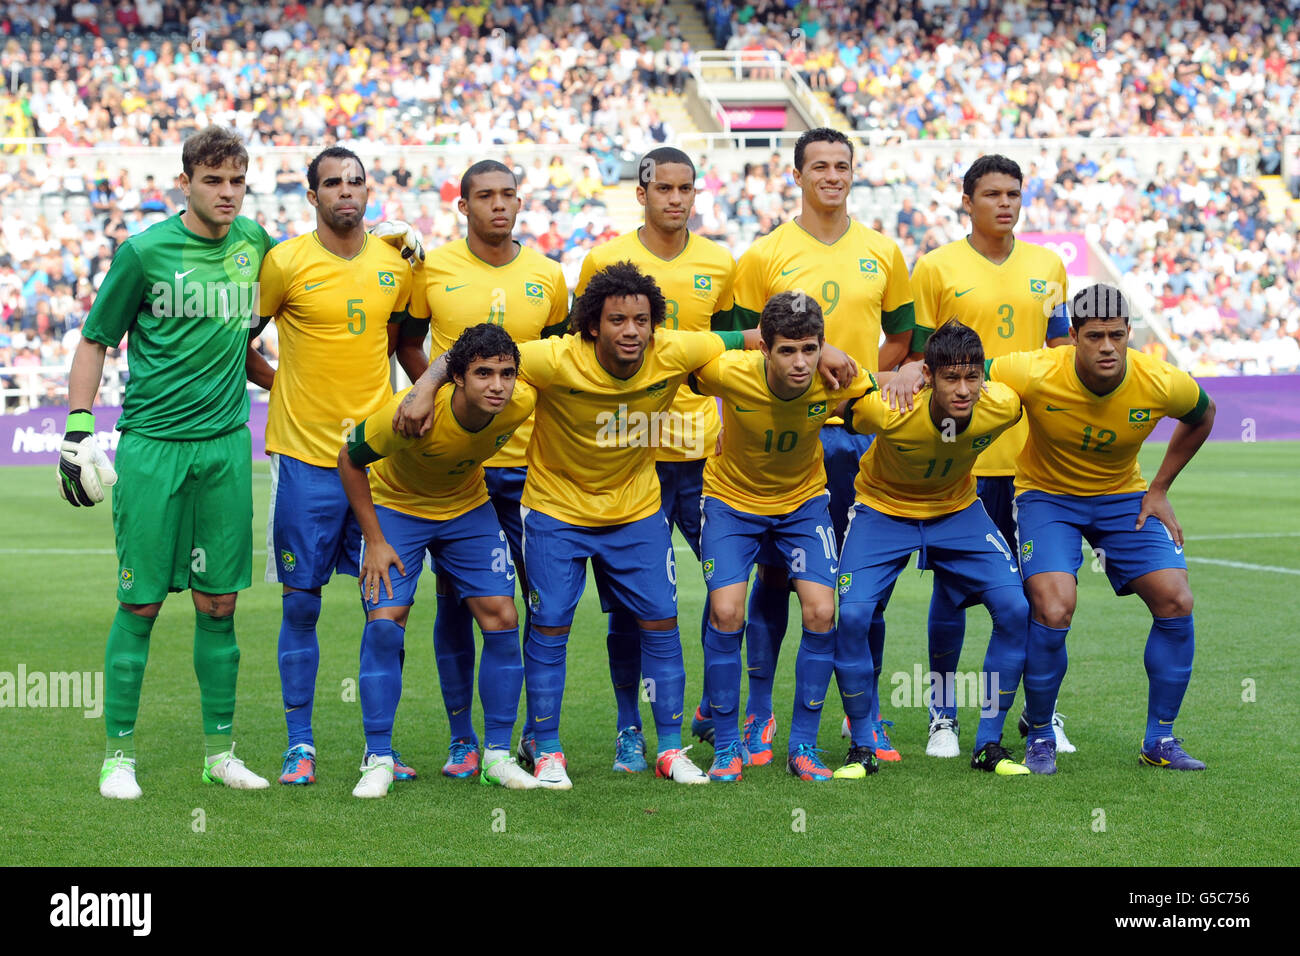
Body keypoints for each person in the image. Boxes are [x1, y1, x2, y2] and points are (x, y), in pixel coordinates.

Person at [393, 262, 856, 788]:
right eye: (617, 320)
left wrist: (833, 349)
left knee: (661, 623)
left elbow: (752, 335)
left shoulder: (673, 350)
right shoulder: (552, 358)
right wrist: (425, 386)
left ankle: (671, 749)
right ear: (592, 325)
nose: (632, 330)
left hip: (636, 511)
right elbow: (474, 353)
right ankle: (547, 750)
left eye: (641, 319)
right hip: (555, 511)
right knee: (549, 628)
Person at [60, 126, 275, 799]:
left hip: (224, 448)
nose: (227, 193)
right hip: (153, 449)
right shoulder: (144, 252)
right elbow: (95, 339)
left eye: (237, 181)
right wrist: (76, 427)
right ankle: (117, 757)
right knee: (141, 603)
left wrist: (290, 387)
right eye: (213, 181)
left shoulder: (256, 246)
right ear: (184, 183)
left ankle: (220, 753)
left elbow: (239, 342)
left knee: (219, 605)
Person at [726, 127, 915, 764]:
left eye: (843, 166)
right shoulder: (765, 254)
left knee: (863, 587)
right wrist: (817, 358)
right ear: (798, 174)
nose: (832, 176)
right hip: (794, 441)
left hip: (863, 438)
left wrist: (866, 377)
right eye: (820, 166)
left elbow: (903, 337)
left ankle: (865, 716)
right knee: (776, 579)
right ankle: (759, 713)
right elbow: (738, 338)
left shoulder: (883, 252)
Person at [245, 147, 426, 788]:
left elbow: (404, 345)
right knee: (302, 606)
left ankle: (380, 748)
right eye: (332, 183)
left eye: (355, 181)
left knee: (387, 610)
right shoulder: (285, 263)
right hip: (303, 463)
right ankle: (301, 746)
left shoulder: (396, 264)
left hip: (378, 463)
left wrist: (429, 402)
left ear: (366, 191)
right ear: (312, 195)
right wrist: (282, 387)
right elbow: (241, 344)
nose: (345, 191)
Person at [985, 285, 1215, 774]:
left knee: (1177, 599)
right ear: (1072, 337)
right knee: (1053, 604)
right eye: (1094, 336)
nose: (1107, 346)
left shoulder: (1159, 380)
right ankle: (1041, 731)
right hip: (1047, 497)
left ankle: (1160, 739)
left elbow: (1203, 414)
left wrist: (1159, 488)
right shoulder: (1033, 370)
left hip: (1123, 497)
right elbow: (964, 373)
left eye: (1116, 335)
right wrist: (912, 370)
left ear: (1130, 333)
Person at [573, 146, 735, 773]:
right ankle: (628, 728)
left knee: (726, 586)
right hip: (629, 458)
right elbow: (578, 353)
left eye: (685, 188)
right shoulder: (604, 261)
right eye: (663, 188)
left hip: (700, 456)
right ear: (640, 192)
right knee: (631, 605)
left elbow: (738, 356)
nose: (675, 198)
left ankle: (710, 711)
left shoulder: (720, 263)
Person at [909, 153, 1074, 759]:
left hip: (1034, 460)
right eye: (992, 194)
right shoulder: (935, 268)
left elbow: (1061, 355)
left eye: (1014, 193)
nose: (1005, 203)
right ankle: (942, 714)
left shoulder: (1048, 265)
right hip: (964, 459)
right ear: (967, 200)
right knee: (952, 592)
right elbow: (920, 363)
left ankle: (1041, 715)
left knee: (1040, 592)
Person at [411, 160, 567, 781]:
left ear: (519, 202)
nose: (498, 206)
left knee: (539, 602)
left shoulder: (549, 276)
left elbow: (560, 363)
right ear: (463, 205)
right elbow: (407, 342)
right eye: (485, 197)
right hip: (460, 467)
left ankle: (534, 735)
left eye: (507, 195)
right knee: (457, 604)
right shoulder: (434, 269)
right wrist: (435, 393)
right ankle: (461, 739)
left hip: (534, 467)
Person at [337, 324, 543, 795]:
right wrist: (374, 540)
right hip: (397, 509)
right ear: (459, 379)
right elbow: (348, 460)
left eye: (507, 373)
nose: (497, 385)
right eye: (484, 373)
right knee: (386, 624)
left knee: (503, 617)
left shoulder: (522, 403)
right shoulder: (410, 416)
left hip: (466, 507)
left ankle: (496, 755)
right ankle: (379, 757)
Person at [833, 321, 1038, 780]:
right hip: (882, 512)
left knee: (1014, 607)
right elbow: (840, 397)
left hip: (957, 513)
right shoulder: (888, 410)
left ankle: (989, 743)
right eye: (950, 378)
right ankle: (863, 745)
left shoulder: (1002, 405)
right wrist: (899, 373)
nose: (964, 390)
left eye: (973, 377)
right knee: (850, 617)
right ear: (929, 375)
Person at [688, 291, 871, 782]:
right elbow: (678, 354)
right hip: (730, 504)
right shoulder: (727, 372)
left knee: (822, 610)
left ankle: (803, 748)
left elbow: (890, 386)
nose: (800, 362)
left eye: (810, 349)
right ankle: (726, 746)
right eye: (787, 350)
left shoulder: (836, 383)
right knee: (726, 612)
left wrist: (912, 372)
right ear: (763, 349)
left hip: (802, 505)